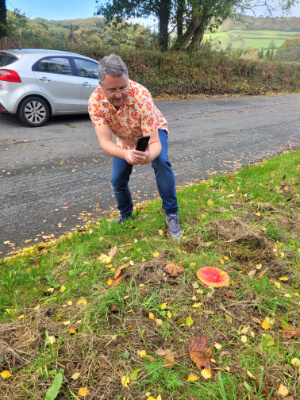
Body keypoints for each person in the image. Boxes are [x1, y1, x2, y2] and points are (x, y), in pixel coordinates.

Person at [88, 53, 182, 239]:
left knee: (161, 162)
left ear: (128, 80)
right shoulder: (95, 103)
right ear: (101, 86)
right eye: (112, 90)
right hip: (124, 139)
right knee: (118, 179)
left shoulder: (141, 96)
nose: (119, 94)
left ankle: (171, 214)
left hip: (151, 132)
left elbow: (154, 142)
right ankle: (126, 215)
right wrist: (126, 154)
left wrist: (149, 156)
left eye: (123, 87)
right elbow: (105, 142)